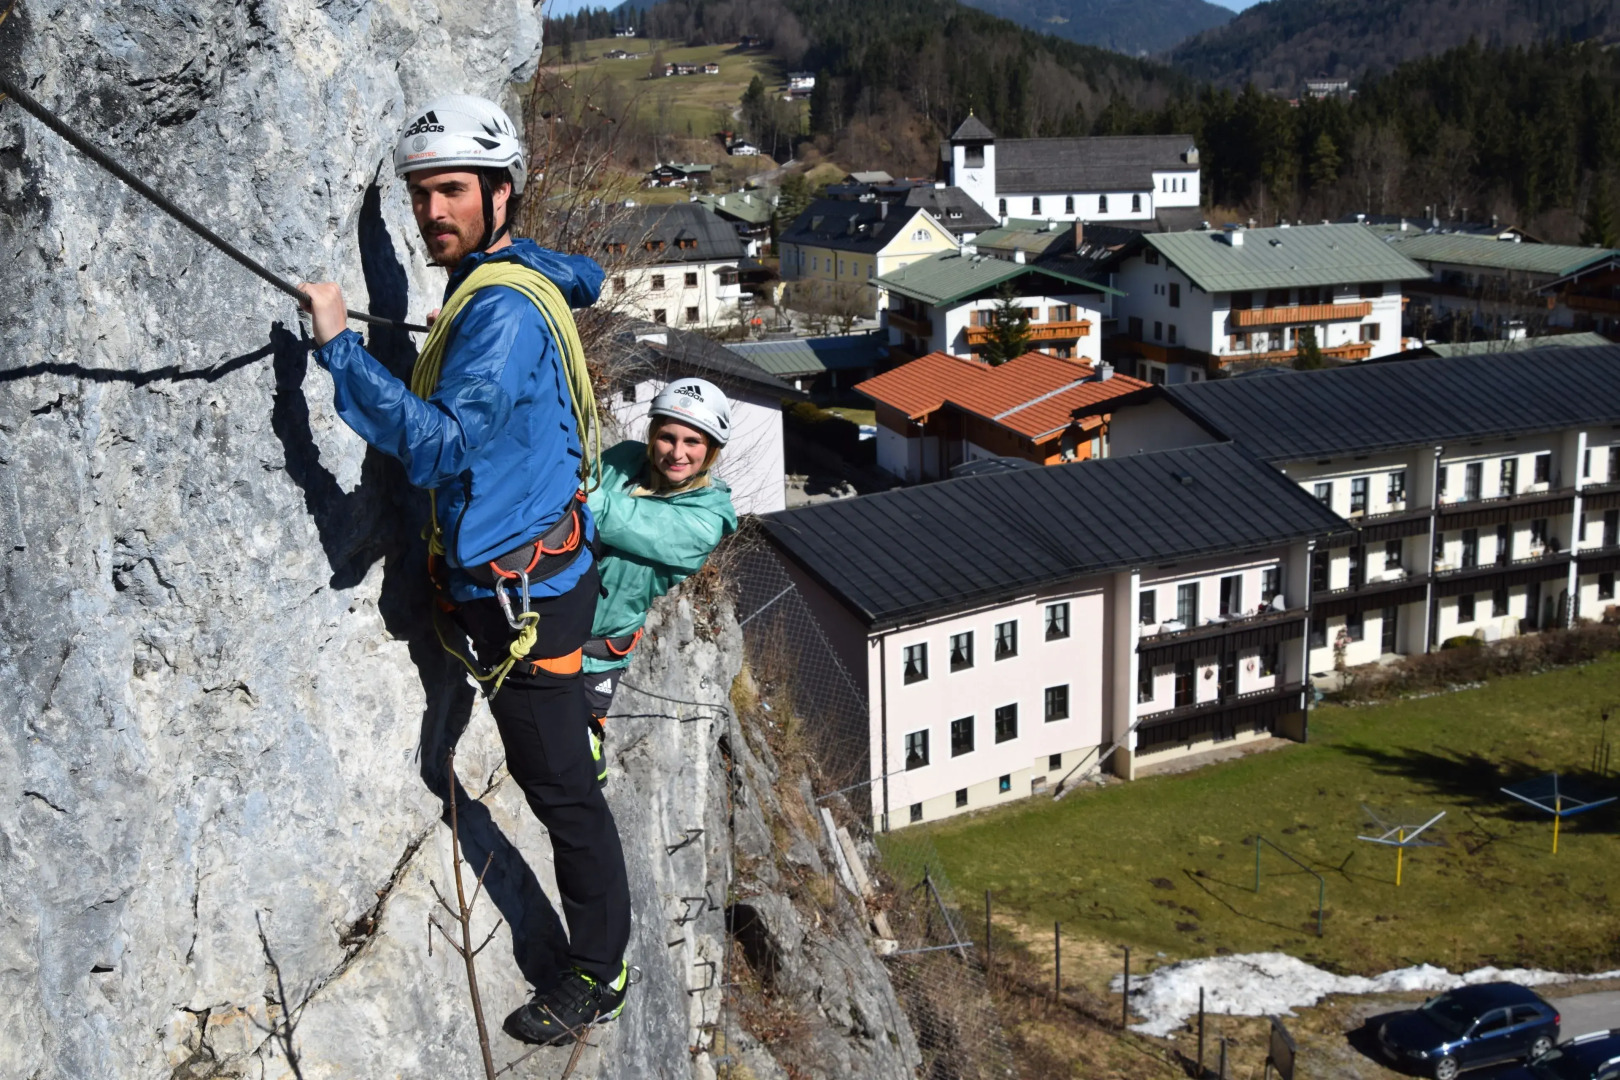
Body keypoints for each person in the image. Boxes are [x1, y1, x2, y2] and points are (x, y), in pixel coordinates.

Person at [296, 94, 630, 1046]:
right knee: (559, 755)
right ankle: (578, 728)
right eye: (419, 194)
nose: (432, 211)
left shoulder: (501, 316)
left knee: (559, 790)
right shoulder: (521, 275)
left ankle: (597, 971)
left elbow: (440, 445)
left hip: (524, 599)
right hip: (544, 567)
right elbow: (588, 276)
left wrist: (338, 350)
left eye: (451, 191)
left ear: (500, 192)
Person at [582, 379, 739, 782]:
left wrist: (568, 498)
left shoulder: (705, 520)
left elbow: (607, 514)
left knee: (581, 764)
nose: (677, 452)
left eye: (693, 442)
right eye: (667, 437)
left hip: (595, 652)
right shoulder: (625, 457)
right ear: (653, 434)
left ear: (711, 449)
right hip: (544, 622)